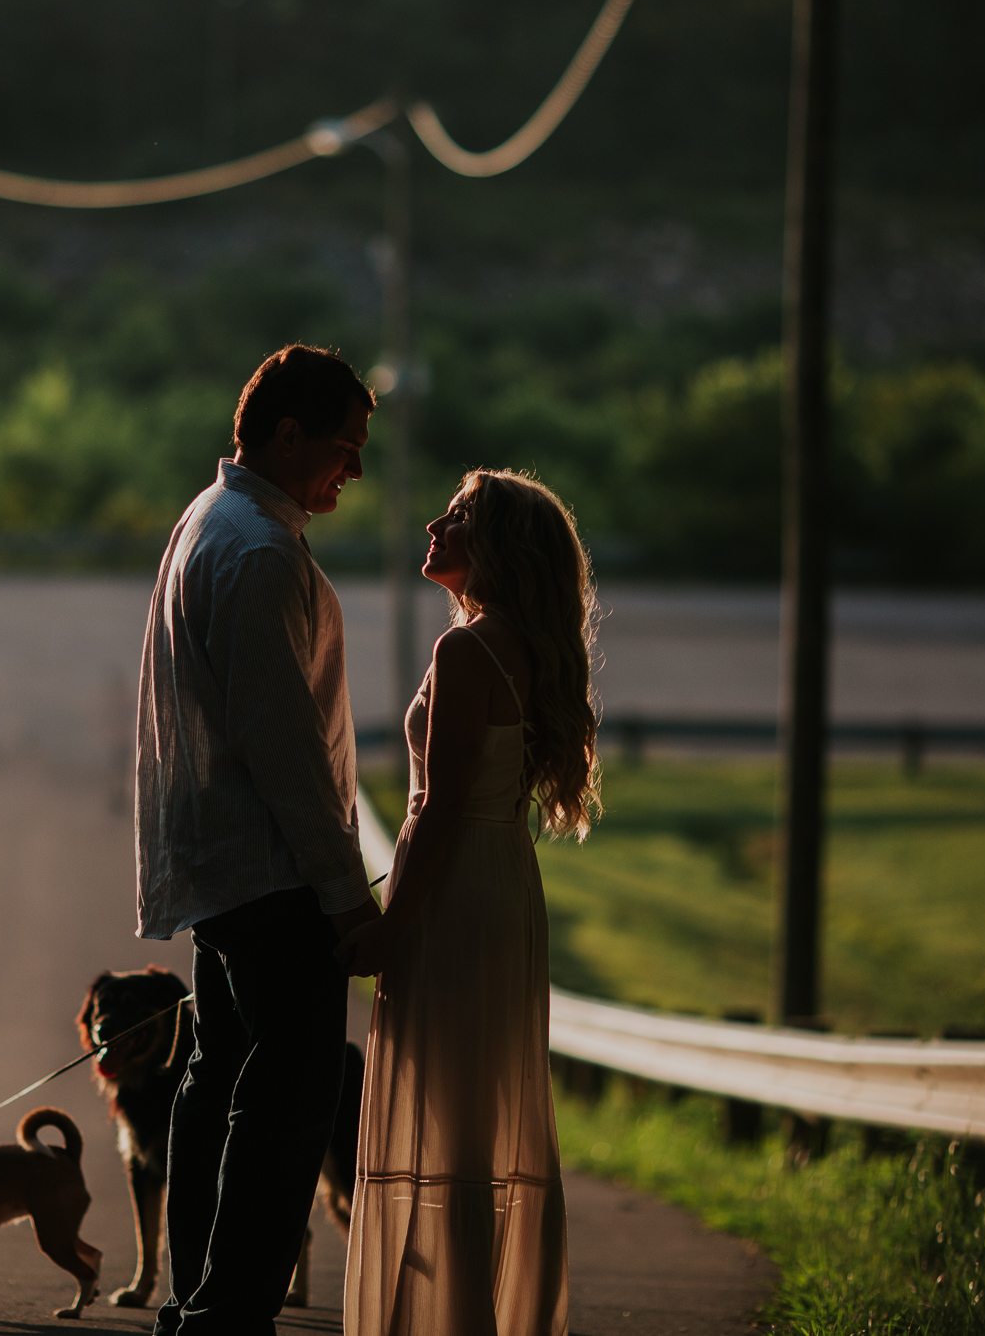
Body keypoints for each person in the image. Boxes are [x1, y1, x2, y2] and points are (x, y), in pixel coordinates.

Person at [132, 343, 383, 1335]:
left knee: (218, 1081)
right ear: (289, 433)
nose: (353, 471)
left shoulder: (213, 520)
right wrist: (346, 894)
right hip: (271, 870)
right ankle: (229, 1317)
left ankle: (196, 1303)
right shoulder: (259, 551)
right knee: (290, 1098)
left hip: (223, 865)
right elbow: (286, 750)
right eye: (345, 446)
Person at [337, 469, 599, 1336]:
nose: (432, 523)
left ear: (499, 549)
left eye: (458, 517)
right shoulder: (530, 646)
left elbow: (438, 806)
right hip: (506, 883)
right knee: (479, 1122)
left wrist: (386, 929)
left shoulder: (467, 649)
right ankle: (476, 1314)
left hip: (452, 891)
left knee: (444, 1120)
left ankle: (441, 1319)